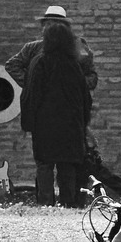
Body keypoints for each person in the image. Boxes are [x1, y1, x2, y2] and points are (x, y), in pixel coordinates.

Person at [5, 5, 98, 204]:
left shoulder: (75, 50)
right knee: (53, 164)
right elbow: (13, 67)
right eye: (48, 23)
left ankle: (60, 202)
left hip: (60, 117)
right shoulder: (35, 50)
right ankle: (57, 202)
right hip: (59, 118)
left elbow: (89, 80)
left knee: (58, 164)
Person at [20, 21, 92, 207]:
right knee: (67, 166)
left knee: (44, 165)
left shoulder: (40, 62)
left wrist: (28, 122)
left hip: (45, 124)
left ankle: (45, 203)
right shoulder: (73, 65)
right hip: (70, 125)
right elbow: (84, 97)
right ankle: (68, 203)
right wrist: (83, 122)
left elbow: (31, 94)